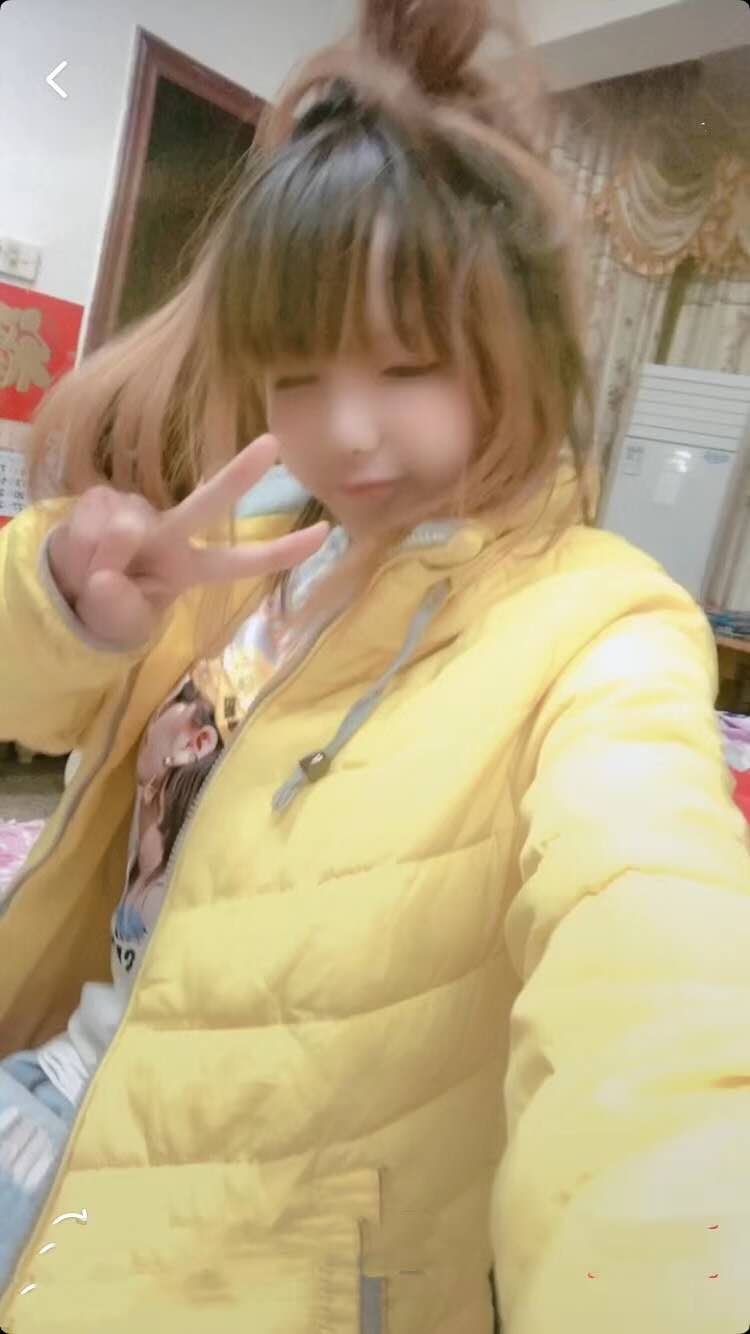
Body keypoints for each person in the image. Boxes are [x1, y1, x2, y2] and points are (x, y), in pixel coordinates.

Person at [1, 1, 750, 1330]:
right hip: (62, 1100)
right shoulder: (242, 557)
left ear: (515, 351)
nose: (345, 431)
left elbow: (653, 977)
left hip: (256, 1265)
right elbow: (33, 712)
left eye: (408, 366)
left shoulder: (600, 625)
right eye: (298, 375)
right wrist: (64, 600)